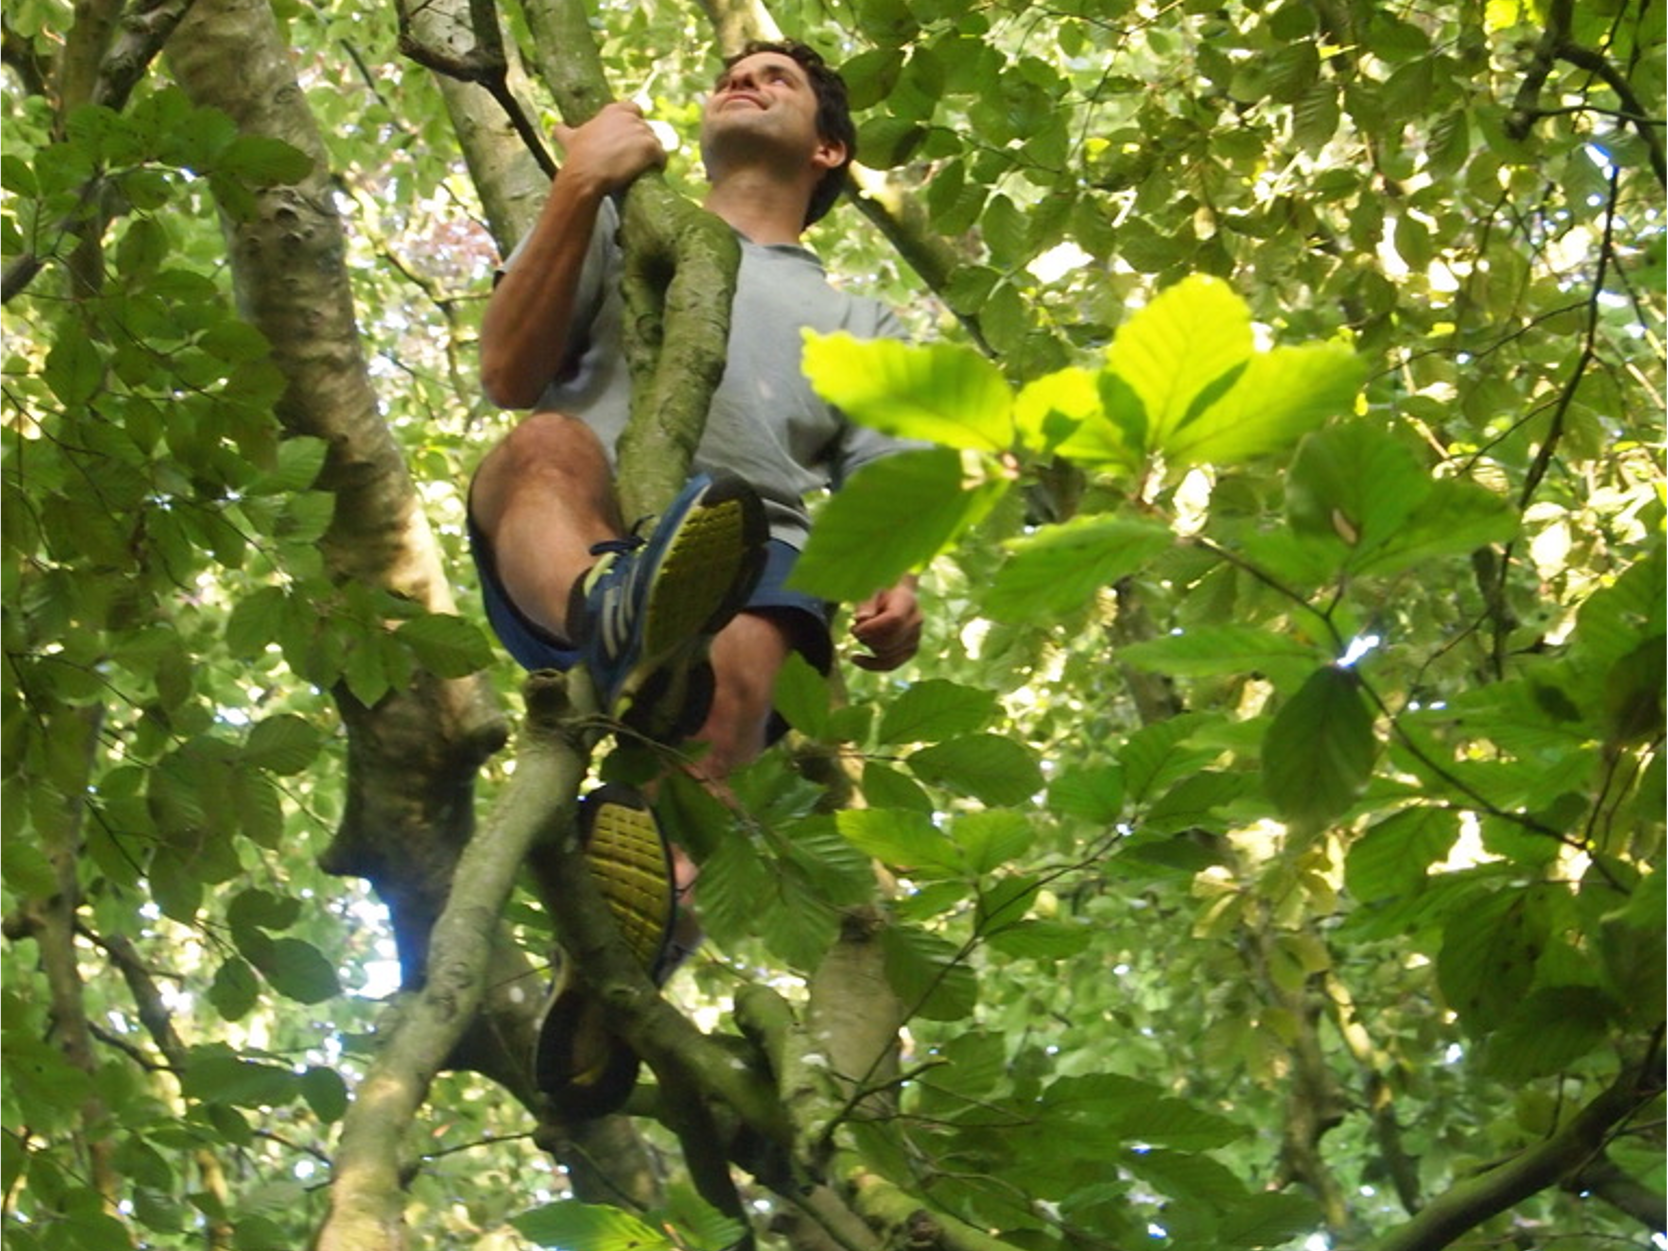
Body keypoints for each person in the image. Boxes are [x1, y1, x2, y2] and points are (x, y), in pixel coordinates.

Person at [468, 40, 923, 1117]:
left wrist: (897, 581)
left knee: (741, 678)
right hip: (582, 528)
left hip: (749, 541)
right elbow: (503, 370)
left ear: (827, 147)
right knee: (541, 444)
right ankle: (614, 612)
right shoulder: (629, 224)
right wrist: (582, 182)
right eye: (735, 69)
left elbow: (887, 481)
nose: (746, 78)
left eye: (781, 78)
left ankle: (618, 967)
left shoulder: (862, 322)